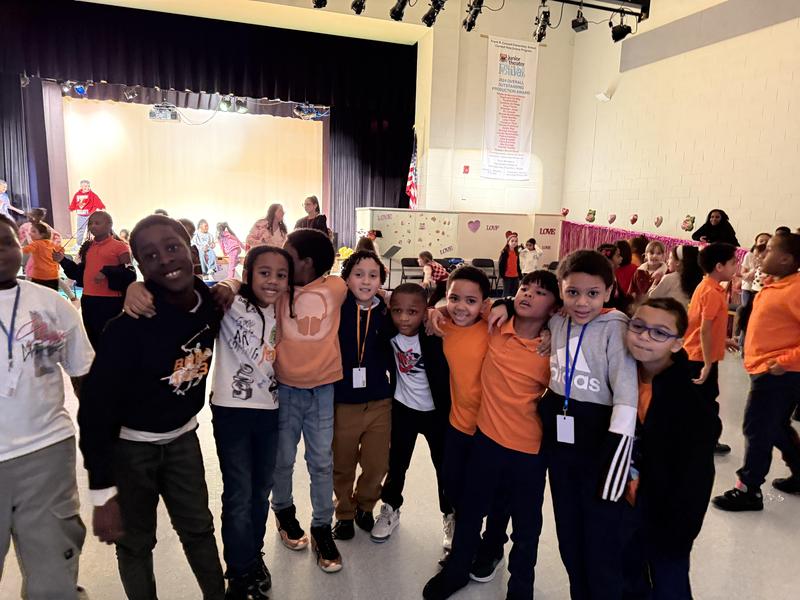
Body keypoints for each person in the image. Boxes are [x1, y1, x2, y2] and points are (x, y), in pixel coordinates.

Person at [78, 215, 225, 599]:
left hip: (183, 441)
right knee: (135, 543)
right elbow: (94, 414)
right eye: (150, 255)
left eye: (173, 247)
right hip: (131, 451)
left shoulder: (211, 302)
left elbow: (245, 287)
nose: (164, 259)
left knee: (198, 529)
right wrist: (102, 492)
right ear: (140, 267)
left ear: (192, 251)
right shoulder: (127, 328)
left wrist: (231, 282)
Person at [424, 270, 559, 600]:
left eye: (540, 293)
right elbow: (464, 303)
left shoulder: (555, 347)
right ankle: (458, 569)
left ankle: (519, 588)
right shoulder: (496, 326)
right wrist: (503, 302)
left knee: (526, 526)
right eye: (525, 287)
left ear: (554, 308)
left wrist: (556, 330)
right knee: (469, 510)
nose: (527, 294)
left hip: (530, 450)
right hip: (486, 439)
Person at [0, 214, 95, 600]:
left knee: (53, 579)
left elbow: (83, 373)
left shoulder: (50, 304)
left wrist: (101, 446)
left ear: (18, 248)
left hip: (45, 453)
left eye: (5, 242)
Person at [538, 249, 639, 600]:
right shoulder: (556, 320)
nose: (582, 302)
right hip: (561, 440)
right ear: (561, 291)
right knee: (569, 531)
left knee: (602, 537)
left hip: (601, 444)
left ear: (609, 291)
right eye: (573, 292)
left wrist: (618, 456)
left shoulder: (616, 327)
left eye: (593, 293)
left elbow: (627, 396)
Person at [210, 245, 293, 598]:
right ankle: (239, 573)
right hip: (231, 411)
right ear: (248, 275)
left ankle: (251, 555)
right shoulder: (230, 304)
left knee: (261, 491)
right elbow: (201, 291)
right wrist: (228, 283)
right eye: (264, 273)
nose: (272, 281)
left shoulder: (283, 310)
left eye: (280, 274)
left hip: (269, 411)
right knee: (239, 493)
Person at [623, 298, 719, 599]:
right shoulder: (624, 375)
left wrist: (681, 528)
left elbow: (696, 476)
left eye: (660, 333)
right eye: (638, 326)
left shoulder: (689, 403)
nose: (644, 336)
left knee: (669, 580)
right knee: (630, 574)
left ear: (677, 344)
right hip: (626, 504)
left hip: (668, 516)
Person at [269, 228, 347, 573]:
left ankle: (320, 527)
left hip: (323, 389)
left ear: (307, 263)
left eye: (289, 255)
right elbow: (241, 286)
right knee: (283, 459)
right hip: (285, 388)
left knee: (321, 461)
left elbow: (377, 289)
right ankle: (283, 511)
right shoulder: (278, 291)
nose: (283, 260)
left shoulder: (336, 288)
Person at [712, 233, 800, 511]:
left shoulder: (797, 290)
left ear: (786, 259)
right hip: (766, 368)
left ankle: (749, 489)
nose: (761, 252)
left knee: (757, 428)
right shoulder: (777, 283)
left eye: (770, 249)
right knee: (775, 426)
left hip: (779, 373)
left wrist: (785, 361)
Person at [426, 266, 506, 567]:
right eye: (455, 298)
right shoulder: (442, 323)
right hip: (458, 423)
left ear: (484, 303)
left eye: (471, 301)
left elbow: (524, 311)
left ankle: (479, 543)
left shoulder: (493, 325)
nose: (462, 306)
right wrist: (435, 308)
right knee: (451, 481)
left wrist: (504, 305)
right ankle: (464, 533)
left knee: (484, 490)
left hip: (490, 428)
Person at [370, 284, 453, 549]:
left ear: (424, 311)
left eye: (413, 312)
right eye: (398, 311)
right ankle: (390, 508)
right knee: (397, 464)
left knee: (444, 467)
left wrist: (434, 312)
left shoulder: (434, 332)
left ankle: (450, 514)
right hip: (403, 409)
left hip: (437, 413)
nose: (404, 318)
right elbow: (375, 294)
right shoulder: (389, 329)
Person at [331, 251, 392, 542]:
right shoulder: (337, 307)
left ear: (381, 280)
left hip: (380, 400)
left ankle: (365, 506)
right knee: (342, 462)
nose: (366, 281)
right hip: (343, 401)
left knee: (377, 462)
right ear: (346, 278)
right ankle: (343, 511)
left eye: (373, 275)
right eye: (358, 274)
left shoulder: (387, 310)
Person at [683, 243, 740, 455]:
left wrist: (723, 340)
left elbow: (703, 325)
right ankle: (705, 440)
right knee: (706, 403)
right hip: (700, 357)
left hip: (698, 352)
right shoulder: (713, 293)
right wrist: (707, 364)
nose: (736, 266)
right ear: (719, 266)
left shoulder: (706, 285)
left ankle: (702, 438)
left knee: (702, 401)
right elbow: (704, 331)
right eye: (733, 263)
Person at [56, 211, 132, 349]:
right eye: (90, 223)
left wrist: (106, 272)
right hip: (89, 299)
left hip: (110, 301)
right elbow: (79, 274)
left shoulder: (120, 247)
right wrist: (62, 260)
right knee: (92, 339)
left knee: (110, 339)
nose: (92, 226)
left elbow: (129, 273)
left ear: (109, 225)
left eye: (97, 223)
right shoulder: (88, 248)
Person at [648, 245, 703, 309]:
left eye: (670, 258)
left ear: (678, 262)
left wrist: (655, 282)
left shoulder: (669, 278)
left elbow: (651, 297)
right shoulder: (698, 281)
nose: (667, 261)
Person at [22, 222, 63, 290]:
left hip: (39, 277)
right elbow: (61, 251)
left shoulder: (36, 244)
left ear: (42, 234)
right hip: (54, 277)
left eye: (34, 231)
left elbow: (25, 250)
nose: (29, 233)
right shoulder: (52, 244)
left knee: (39, 298)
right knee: (51, 298)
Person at [68, 180, 105, 245]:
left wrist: (102, 207)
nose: (86, 187)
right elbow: (74, 202)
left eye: (87, 186)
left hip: (90, 215)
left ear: (89, 186)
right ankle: (78, 245)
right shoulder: (77, 195)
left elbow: (98, 201)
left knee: (91, 231)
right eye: (84, 186)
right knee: (80, 230)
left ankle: (92, 244)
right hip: (80, 216)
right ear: (81, 186)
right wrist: (71, 208)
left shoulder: (92, 195)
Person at [740, 233, 772, 308]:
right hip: (748, 288)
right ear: (756, 242)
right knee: (746, 309)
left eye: (767, 241)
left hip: (762, 290)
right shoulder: (749, 255)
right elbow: (742, 273)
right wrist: (750, 274)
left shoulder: (771, 258)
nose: (764, 243)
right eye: (761, 241)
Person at [598, 243, 630, 314]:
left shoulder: (613, 276)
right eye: (618, 256)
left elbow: (622, 298)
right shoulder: (603, 279)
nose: (621, 258)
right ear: (608, 260)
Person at [499, 231, 521, 297]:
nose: (514, 242)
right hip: (507, 276)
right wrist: (502, 275)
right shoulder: (505, 252)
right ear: (508, 242)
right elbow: (501, 264)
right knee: (506, 293)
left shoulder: (517, 252)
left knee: (514, 294)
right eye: (512, 241)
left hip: (515, 276)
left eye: (516, 241)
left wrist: (519, 275)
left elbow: (517, 264)